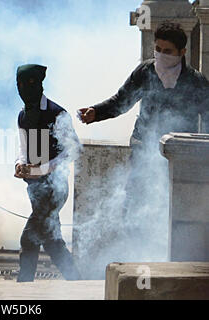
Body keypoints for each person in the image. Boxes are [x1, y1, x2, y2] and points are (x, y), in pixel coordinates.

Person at [78, 22, 209, 233]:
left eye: (167, 51)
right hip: (143, 149)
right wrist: (96, 112)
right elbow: (121, 101)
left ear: (181, 52)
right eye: (158, 49)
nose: (161, 55)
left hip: (179, 158)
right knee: (134, 206)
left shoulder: (195, 82)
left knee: (174, 210)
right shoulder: (144, 72)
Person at [14, 64, 82, 282]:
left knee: (29, 238)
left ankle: (23, 289)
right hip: (34, 188)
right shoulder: (23, 116)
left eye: (30, 84)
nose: (25, 89)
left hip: (55, 188)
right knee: (52, 240)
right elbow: (24, 149)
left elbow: (74, 150)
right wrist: (20, 164)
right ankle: (78, 283)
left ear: (40, 84)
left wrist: (45, 168)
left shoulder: (56, 113)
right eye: (21, 84)